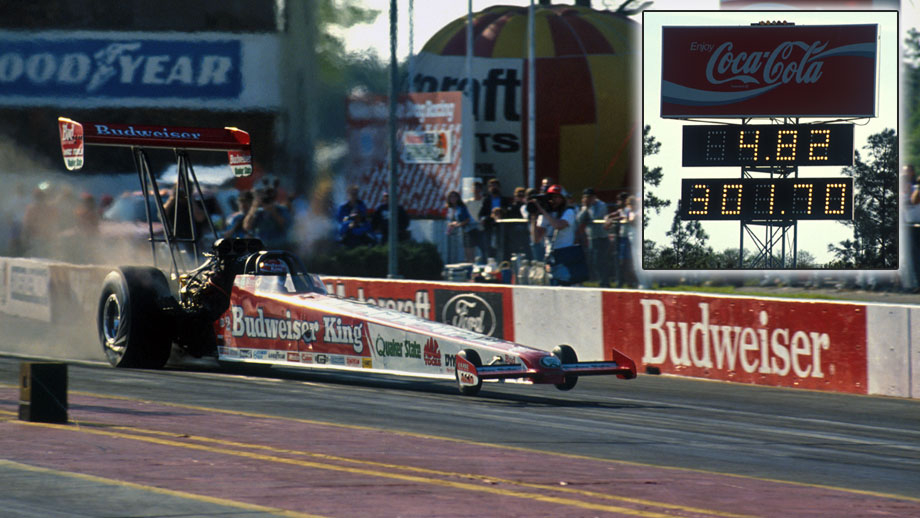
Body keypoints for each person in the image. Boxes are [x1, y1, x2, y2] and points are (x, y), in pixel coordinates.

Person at [535, 184, 587, 286]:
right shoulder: (545, 215)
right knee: (551, 285)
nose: (553, 201)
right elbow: (536, 239)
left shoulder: (569, 212)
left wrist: (543, 212)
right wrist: (533, 217)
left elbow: (558, 225)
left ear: (563, 199)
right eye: (551, 198)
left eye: (556, 198)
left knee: (566, 285)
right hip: (550, 256)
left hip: (565, 254)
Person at [577, 188, 611, 287]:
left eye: (588, 197)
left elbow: (596, 217)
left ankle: (605, 281)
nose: (586, 199)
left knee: (602, 260)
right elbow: (579, 219)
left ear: (593, 197)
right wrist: (586, 208)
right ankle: (600, 280)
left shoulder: (601, 205)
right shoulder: (586, 207)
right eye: (585, 198)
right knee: (594, 260)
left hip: (602, 237)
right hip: (592, 237)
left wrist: (589, 207)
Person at [243, 185, 292, 250]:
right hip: (261, 247)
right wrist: (254, 207)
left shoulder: (281, 210)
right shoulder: (257, 212)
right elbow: (246, 227)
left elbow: (287, 225)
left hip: (279, 246)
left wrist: (273, 212)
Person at [478, 178, 512, 258]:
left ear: (499, 187)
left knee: (502, 246)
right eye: (491, 186)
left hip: (502, 226)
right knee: (489, 246)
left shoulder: (504, 200)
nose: (493, 188)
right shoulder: (486, 200)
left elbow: (509, 211)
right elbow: (481, 214)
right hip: (490, 226)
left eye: (495, 186)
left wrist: (501, 212)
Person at [446, 190, 475, 263]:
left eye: (454, 197)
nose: (453, 199)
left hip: (466, 230)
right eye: (451, 197)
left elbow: (467, 219)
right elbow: (449, 220)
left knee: (467, 249)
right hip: (454, 232)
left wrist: (459, 224)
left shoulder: (462, 207)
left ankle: (470, 264)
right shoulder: (450, 209)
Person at [464, 179, 488, 263]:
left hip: (481, 229)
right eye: (474, 188)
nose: (476, 190)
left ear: (481, 189)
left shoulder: (484, 201)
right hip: (470, 229)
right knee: (470, 251)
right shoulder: (468, 202)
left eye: (478, 188)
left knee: (484, 250)